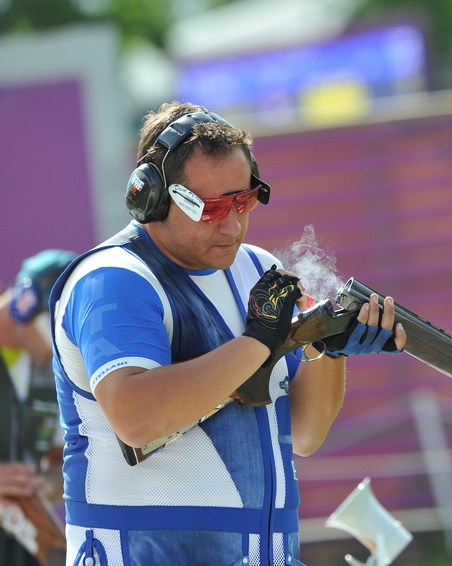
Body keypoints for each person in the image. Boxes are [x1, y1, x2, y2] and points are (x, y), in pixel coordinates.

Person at [49, 101, 407, 566]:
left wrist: (326, 347)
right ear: (151, 195)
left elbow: (304, 433)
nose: (232, 225)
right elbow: (137, 418)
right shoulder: (114, 279)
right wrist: (257, 342)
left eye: (243, 200)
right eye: (211, 208)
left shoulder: (258, 269)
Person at [0, 249, 75, 566]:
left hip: (26, 548)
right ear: (25, 303)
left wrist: (48, 484)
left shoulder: (55, 369)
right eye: (59, 329)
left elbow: (59, 461)